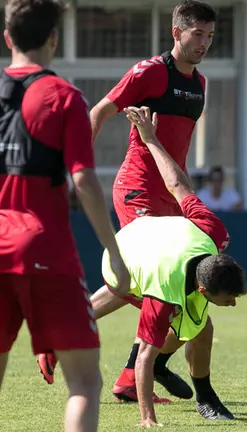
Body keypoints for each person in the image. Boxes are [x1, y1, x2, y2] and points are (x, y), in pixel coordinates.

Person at [36, 0, 217, 403]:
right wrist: (75, 168)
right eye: (197, 34)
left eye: (209, 35)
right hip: (137, 189)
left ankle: (126, 377)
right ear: (177, 33)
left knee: (137, 284)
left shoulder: (200, 84)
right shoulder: (150, 71)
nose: (204, 43)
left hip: (172, 196)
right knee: (144, 283)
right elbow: (99, 112)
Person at [0, 1, 130, 431]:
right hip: (45, 251)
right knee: (83, 384)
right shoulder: (64, 97)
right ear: (53, 38)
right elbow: (84, 181)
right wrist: (113, 252)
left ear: (8, 39)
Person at [104, 106, 243, 426]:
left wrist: (152, 138)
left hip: (167, 247)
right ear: (203, 288)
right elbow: (143, 357)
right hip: (124, 261)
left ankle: (187, 383)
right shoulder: (163, 289)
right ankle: (203, 396)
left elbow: (179, 185)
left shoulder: (214, 232)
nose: (233, 304)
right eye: (229, 298)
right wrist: (147, 420)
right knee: (195, 328)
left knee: (198, 325)